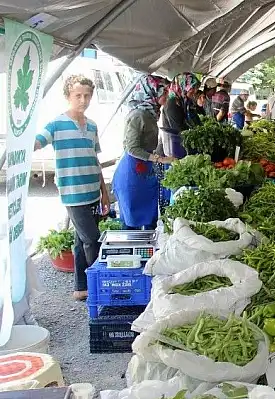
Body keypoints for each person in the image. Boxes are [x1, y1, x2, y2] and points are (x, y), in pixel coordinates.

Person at [34, 75, 111, 301]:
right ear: (68, 96)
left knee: (80, 240)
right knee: (92, 239)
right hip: (73, 195)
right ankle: (99, 284)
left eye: (87, 95)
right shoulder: (56, 124)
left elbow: (94, 161)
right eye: (78, 95)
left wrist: (104, 192)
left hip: (92, 194)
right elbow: (37, 142)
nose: (83, 100)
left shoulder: (92, 126)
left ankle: (81, 287)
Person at [112, 74, 175, 231]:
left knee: (149, 216)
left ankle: (148, 252)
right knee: (131, 221)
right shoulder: (138, 116)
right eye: (164, 93)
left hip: (145, 172)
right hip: (132, 175)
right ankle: (129, 253)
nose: (167, 96)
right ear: (152, 92)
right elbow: (132, 148)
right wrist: (159, 159)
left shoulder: (151, 113)